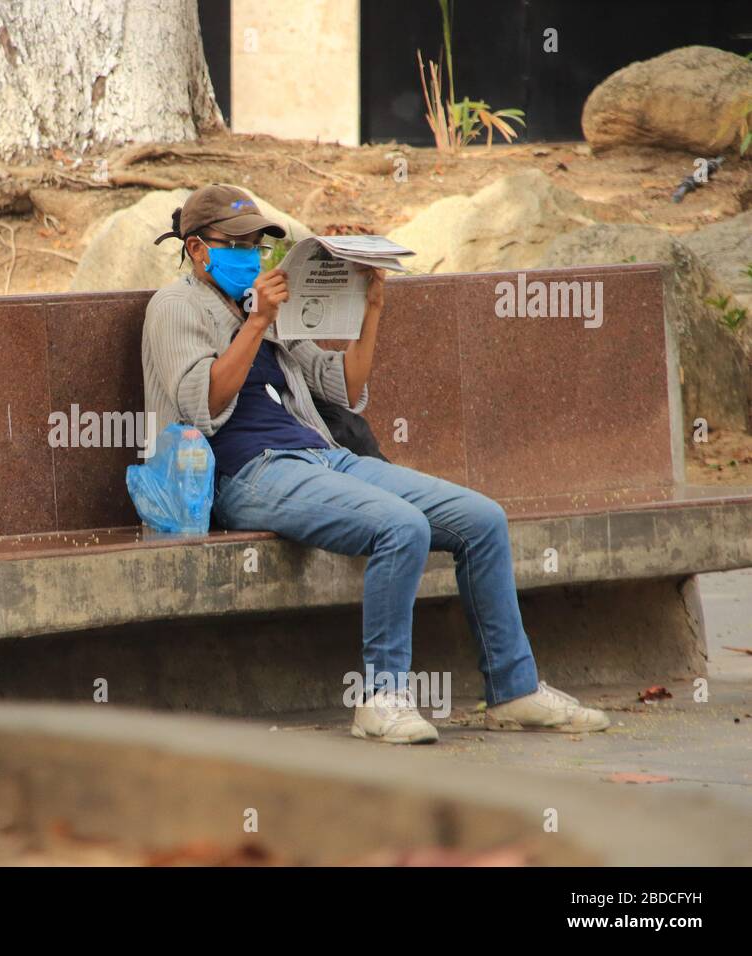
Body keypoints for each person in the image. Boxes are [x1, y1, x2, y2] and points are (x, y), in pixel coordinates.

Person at [142, 183, 610, 744]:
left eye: (258, 245)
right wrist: (258, 324)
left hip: (322, 457)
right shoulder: (174, 307)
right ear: (197, 250)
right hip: (242, 474)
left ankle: (514, 691)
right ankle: (381, 698)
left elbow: (344, 385)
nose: (252, 256)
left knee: (482, 520)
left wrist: (372, 310)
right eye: (236, 244)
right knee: (400, 527)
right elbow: (205, 403)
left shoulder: (259, 308)